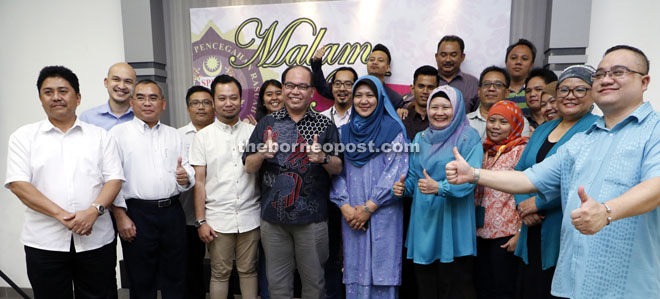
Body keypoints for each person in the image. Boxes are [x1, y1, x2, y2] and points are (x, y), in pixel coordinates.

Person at [446, 45, 660, 299]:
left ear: (644, 81)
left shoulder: (653, 131)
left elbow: (655, 186)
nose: (606, 79)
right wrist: (473, 174)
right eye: (600, 74)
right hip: (574, 281)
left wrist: (606, 212)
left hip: (626, 283)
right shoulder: (583, 140)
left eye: (618, 72)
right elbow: (528, 177)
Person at [5, 66, 124, 298]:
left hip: (96, 240)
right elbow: (19, 184)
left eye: (63, 91)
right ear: (40, 99)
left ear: (78, 97)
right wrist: (62, 215)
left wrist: (94, 211)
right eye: (48, 92)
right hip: (44, 242)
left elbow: (114, 179)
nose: (56, 97)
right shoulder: (24, 137)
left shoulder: (100, 137)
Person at [243, 65, 343, 299]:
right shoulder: (266, 124)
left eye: (302, 86)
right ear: (283, 89)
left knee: (314, 285)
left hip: (312, 219)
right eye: (290, 85)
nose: (295, 91)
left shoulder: (325, 125)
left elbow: (338, 166)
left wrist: (323, 158)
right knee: (278, 286)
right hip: (273, 220)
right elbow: (248, 166)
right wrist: (261, 154)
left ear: (311, 92)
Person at [513, 65, 598, 299]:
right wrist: (523, 204)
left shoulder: (596, 129)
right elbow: (520, 169)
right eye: (564, 90)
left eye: (580, 90)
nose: (570, 96)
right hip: (530, 227)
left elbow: (583, 179)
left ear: (593, 94)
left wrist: (537, 204)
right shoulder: (544, 129)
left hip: (564, 226)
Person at [393, 85, 483, 298]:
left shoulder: (468, 137)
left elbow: (471, 180)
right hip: (425, 220)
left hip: (454, 220)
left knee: (456, 286)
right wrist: (403, 188)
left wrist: (440, 187)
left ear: (457, 109)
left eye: (446, 107)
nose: (439, 112)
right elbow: (415, 178)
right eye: (434, 107)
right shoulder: (420, 139)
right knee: (426, 286)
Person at [110, 79, 195, 298]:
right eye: (141, 97)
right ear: (131, 102)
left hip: (172, 213)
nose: (147, 103)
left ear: (163, 104)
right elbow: (111, 178)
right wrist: (121, 216)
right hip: (137, 213)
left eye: (153, 98)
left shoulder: (174, 134)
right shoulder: (117, 135)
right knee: (141, 278)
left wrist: (185, 177)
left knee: (176, 276)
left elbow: (186, 169)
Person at [330, 75, 409, 298]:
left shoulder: (393, 131)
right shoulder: (343, 133)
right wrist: (345, 206)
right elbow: (336, 172)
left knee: (382, 271)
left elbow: (396, 172)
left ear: (380, 98)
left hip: (384, 212)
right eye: (359, 95)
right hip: (352, 216)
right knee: (355, 270)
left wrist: (369, 207)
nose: (364, 100)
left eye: (370, 95)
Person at [190, 75, 260, 299]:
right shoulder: (202, 137)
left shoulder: (252, 133)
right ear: (213, 101)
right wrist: (201, 221)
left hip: (251, 215)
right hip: (218, 218)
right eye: (222, 98)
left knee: (248, 270)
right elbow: (199, 181)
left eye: (233, 97)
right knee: (220, 272)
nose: (228, 103)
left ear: (241, 100)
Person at [474, 100, 528, 299]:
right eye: (492, 120)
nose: (495, 126)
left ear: (515, 125)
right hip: (479, 231)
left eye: (503, 122)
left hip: (507, 233)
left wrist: (520, 233)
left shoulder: (521, 150)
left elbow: (528, 191)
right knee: (483, 287)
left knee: (504, 289)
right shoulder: (483, 150)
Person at [177, 85, 217, 299]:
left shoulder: (222, 132)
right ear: (187, 108)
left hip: (221, 212)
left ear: (214, 106)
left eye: (206, 102)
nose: (201, 107)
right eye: (195, 103)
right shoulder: (177, 136)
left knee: (223, 267)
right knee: (192, 267)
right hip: (189, 214)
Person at [468, 66, 530, 141]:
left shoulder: (519, 121)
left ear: (507, 93)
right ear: (479, 91)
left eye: (498, 85)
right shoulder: (465, 121)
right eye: (486, 84)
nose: (491, 89)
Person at [79, 62, 136, 130]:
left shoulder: (143, 117)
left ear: (135, 86)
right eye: (116, 79)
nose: (122, 86)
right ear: (106, 82)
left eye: (128, 81)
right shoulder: (88, 118)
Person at [435, 35, 480, 112]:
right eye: (443, 55)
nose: (448, 59)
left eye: (453, 55)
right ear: (437, 57)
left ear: (462, 57)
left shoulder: (473, 83)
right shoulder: (427, 81)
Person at [397, 65, 439, 137]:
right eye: (421, 86)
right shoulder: (401, 117)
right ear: (412, 89)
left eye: (430, 87)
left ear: (437, 90)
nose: (425, 91)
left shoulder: (442, 119)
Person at [505, 39, 536, 115]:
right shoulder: (499, 90)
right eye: (513, 58)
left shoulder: (535, 92)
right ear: (506, 62)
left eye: (524, 58)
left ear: (532, 64)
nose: (518, 62)